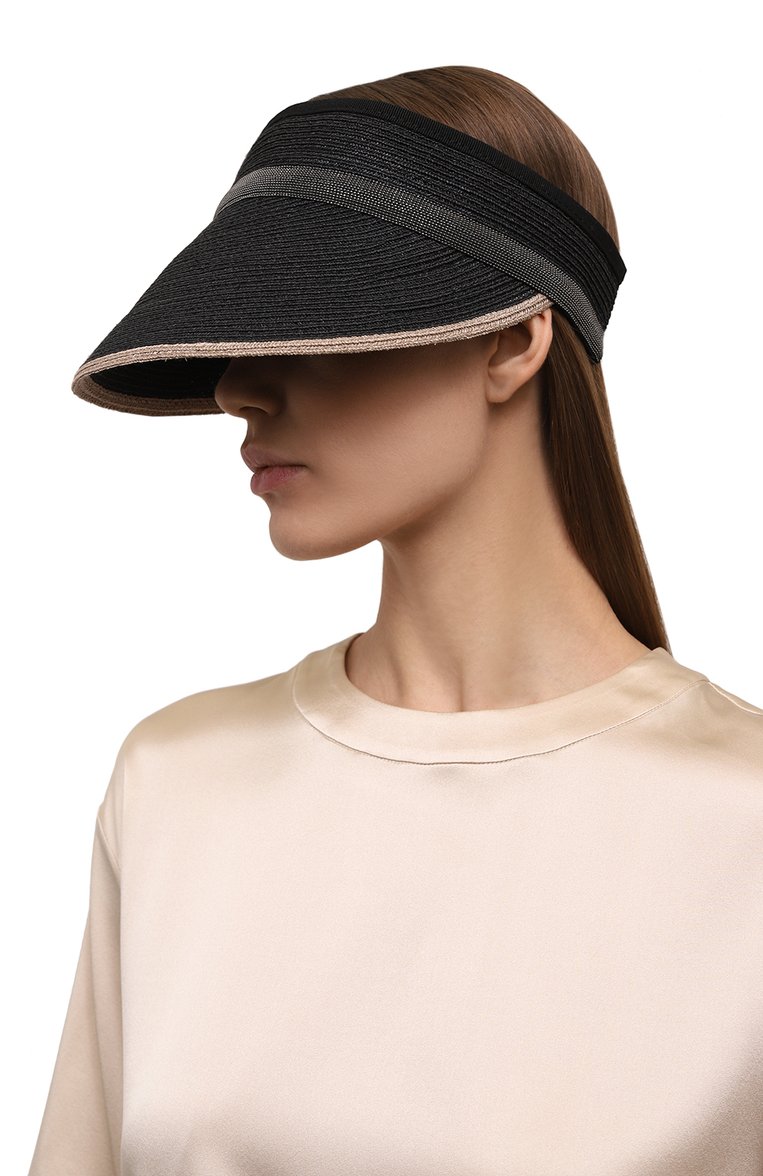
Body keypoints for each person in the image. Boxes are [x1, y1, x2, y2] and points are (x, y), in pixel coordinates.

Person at [29, 66, 763, 1176]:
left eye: (309, 322)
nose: (235, 391)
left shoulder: (739, 825)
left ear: (511, 344)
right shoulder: (176, 780)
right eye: (237, 336)